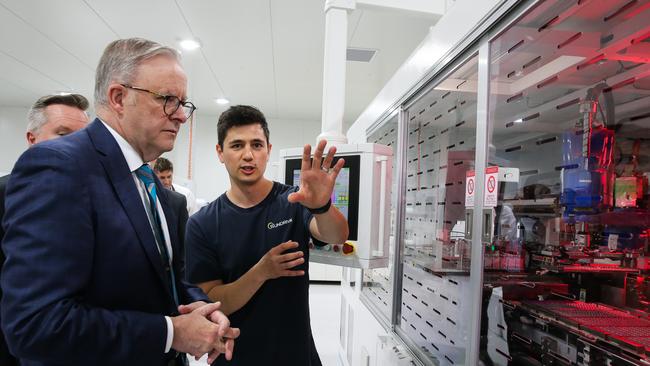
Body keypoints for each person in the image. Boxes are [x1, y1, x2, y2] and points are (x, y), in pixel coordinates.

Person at [1, 38, 239, 366]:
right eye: (168, 99)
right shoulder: (58, 167)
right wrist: (171, 333)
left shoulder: (148, 180)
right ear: (118, 98)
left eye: (184, 103)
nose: (182, 115)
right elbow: (35, 325)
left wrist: (198, 307)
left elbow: (165, 279)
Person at [185, 105, 349, 365]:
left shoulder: (292, 201)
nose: (248, 155)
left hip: (297, 355)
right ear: (220, 152)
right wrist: (262, 271)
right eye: (237, 145)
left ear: (268, 150)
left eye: (257, 145)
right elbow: (213, 302)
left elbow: (336, 235)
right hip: (237, 357)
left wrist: (322, 206)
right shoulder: (202, 224)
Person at [0, 93, 90, 366]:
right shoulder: (3, 193)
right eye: (63, 134)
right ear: (32, 139)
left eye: (83, 137)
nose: (76, 145)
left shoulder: (94, 196)